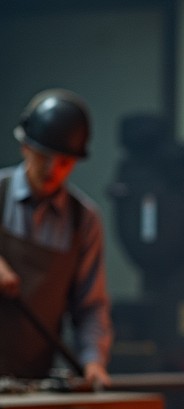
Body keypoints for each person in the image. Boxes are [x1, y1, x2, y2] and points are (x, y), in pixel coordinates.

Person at [0, 88, 112, 388]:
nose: (53, 170)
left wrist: (93, 363)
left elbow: (90, 307)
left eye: (64, 162)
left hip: (32, 383)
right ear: (25, 146)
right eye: (45, 157)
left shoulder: (83, 220)